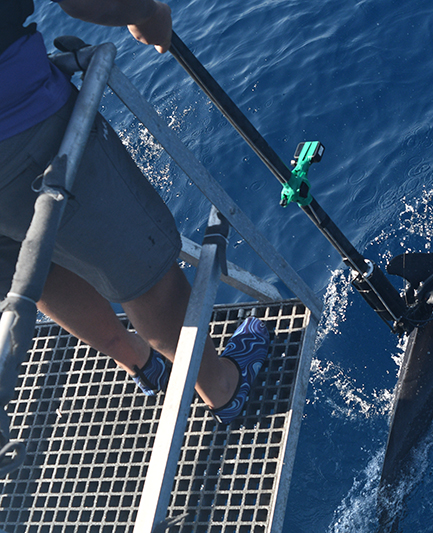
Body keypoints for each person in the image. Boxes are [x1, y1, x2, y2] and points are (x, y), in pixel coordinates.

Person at [0, 0, 269, 424]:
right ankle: (222, 389)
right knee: (143, 275)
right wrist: (146, 14)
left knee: (33, 262)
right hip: (21, 128)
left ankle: (140, 361)